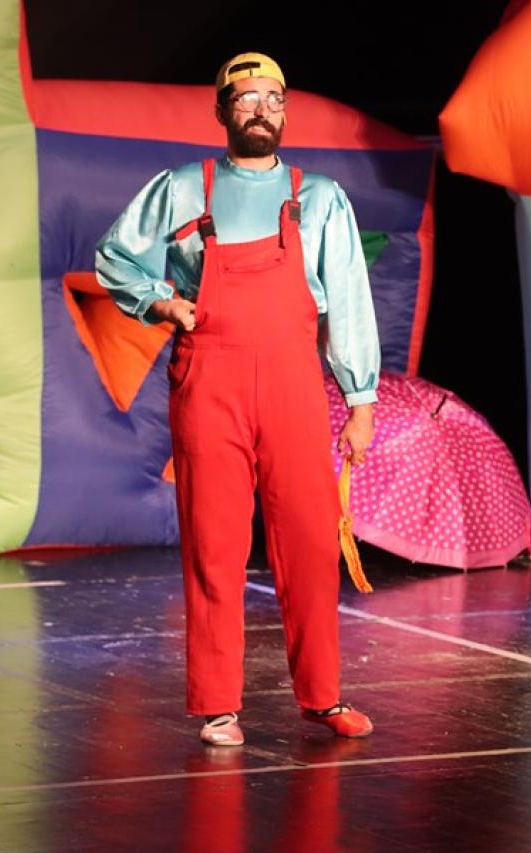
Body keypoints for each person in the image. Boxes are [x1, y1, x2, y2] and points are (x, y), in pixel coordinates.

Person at [96, 52, 380, 744]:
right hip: (209, 380)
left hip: (292, 384)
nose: (261, 110)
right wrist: (162, 302)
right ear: (222, 111)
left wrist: (361, 398)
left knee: (309, 543)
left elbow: (348, 300)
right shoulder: (182, 187)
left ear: (285, 111)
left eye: (272, 99)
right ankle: (218, 704)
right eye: (246, 98)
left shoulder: (320, 198)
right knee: (215, 543)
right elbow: (116, 256)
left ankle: (322, 696)